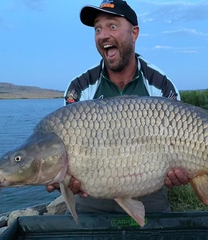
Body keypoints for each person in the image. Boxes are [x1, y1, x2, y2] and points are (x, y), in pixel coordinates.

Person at [47, 0, 189, 214]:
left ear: (134, 33)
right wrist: (63, 179)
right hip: (92, 197)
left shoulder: (161, 85)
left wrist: (183, 172)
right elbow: (62, 151)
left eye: (112, 26)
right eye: (97, 29)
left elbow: (185, 144)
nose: (103, 35)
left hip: (149, 192)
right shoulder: (80, 87)